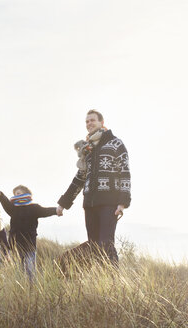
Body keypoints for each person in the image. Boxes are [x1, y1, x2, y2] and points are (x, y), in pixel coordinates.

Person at [57, 109, 131, 265]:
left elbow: (124, 172)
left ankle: (114, 282)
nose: (89, 123)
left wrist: (123, 202)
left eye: (92, 120)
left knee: (106, 244)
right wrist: (63, 203)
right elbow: (80, 178)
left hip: (109, 203)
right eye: (87, 121)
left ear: (101, 122)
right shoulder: (87, 150)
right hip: (90, 204)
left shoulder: (116, 143)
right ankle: (98, 280)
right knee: (94, 246)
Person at [0, 185, 59, 281]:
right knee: (18, 273)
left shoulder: (34, 208)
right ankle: (19, 291)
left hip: (29, 246)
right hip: (15, 246)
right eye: (14, 194)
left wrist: (56, 210)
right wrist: (0, 195)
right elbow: (6, 203)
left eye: (18, 193)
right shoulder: (13, 209)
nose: (15, 195)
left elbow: (45, 211)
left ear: (26, 193)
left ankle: (31, 291)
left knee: (30, 271)